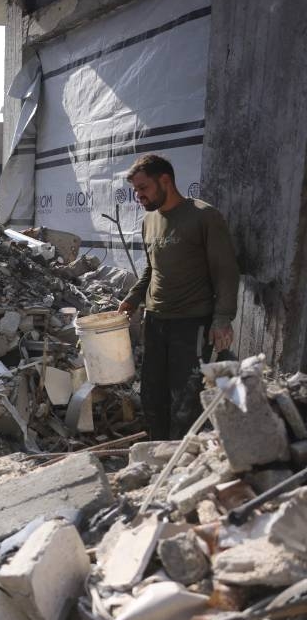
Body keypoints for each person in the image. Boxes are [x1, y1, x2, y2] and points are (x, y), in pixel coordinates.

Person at [118, 154, 239, 441]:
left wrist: (222, 319)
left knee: (186, 399)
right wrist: (132, 299)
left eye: (143, 187)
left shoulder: (203, 216)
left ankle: (180, 460)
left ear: (165, 181)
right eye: (135, 190)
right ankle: (156, 451)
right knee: (152, 394)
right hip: (156, 321)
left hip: (192, 323)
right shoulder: (149, 221)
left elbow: (226, 271)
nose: (139, 196)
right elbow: (151, 269)